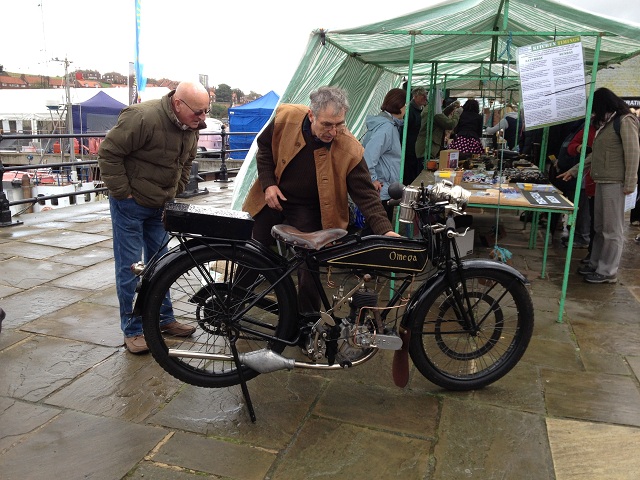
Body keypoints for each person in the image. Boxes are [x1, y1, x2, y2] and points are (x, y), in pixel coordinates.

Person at [242, 86, 401, 313]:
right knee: (252, 253)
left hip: (309, 209)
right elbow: (264, 147)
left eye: (340, 124)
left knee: (310, 267)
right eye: (327, 124)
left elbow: (366, 194)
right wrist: (268, 184)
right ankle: (231, 305)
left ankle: (307, 322)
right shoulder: (286, 117)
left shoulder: (350, 148)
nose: (333, 132)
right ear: (311, 115)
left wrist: (385, 231)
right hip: (273, 197)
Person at [98, 81, 209, 353]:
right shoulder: (142, 117)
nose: (203, 118)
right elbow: (108, 153)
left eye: (205, 111)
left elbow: (186, 162)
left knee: (162, 264)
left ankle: (163, 318)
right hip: (131, 205)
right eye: (198, 112)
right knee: (131, 268)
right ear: (177, 103)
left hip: (161, 204)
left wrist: (176, 190)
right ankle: (133, 331)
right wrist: (123, 193)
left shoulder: (192, 125)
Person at [557, 87, 639, 284]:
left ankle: (608, 271)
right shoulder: (607, 124)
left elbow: (633, 153)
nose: (593, 113)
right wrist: (575, 170)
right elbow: (596, 155)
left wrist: (630, 183)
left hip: (615, 183)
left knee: (612, 230)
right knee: (601, 227)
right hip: (601, 180)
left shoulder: (625, 122)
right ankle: (596, 264)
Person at [361, 88, 407, 221]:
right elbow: (368, 156)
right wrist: (373, 179)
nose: (406, 109)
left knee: (376, 231)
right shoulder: (386, 127)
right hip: (382, 191)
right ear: (400, 106)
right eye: (405, 105)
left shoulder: (387, 124)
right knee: (378, 231)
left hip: (385, 189)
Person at [403, 87, 428, 184]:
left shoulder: (420, 109)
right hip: (409, 146)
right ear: (415, 96)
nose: (425, 98)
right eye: (422, 95)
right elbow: (406, 129)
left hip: (416, 146)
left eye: (425, 95)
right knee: (409, 172)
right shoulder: (410, 110)